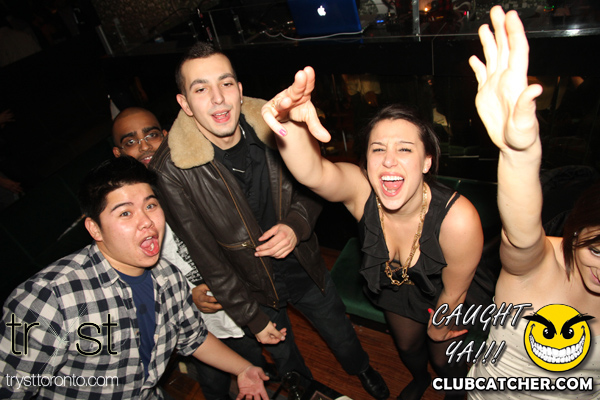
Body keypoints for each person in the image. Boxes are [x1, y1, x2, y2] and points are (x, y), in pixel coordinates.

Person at [149, 42, 389, 399]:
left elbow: (317, 183)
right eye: (201, 89)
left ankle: (361, 367)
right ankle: (304, 391)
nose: (218, 98)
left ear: (239, 89)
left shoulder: (277, 123)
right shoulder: (170, 169)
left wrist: (296, 225)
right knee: (284, 355)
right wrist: (251, 317)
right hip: (250, 285)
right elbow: (205, 256)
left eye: (225, 84)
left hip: (302, 263)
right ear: (184, 103)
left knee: (338, 327)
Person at [261, 45, 483, 400]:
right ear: (365, 162)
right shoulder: (361, 190)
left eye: (405, 149)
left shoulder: (459, 220)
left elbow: (454, 292)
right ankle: (419, 380)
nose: (389, 160)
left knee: (445, 359)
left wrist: (438, 328)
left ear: (427, 161)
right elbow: (313, 172)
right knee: (408, 348)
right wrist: (289, 122)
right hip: (395, 288)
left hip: (444, 292)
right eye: (378, 149)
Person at [0, 156, 269, 399]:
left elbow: (193, 337)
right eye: (125, 213)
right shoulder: (45, 299)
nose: (147, 221)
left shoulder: (169, 278)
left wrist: (243, 369)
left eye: (150, 205)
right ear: (95, 228)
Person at [464, 6, 600, 399]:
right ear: (577, 228)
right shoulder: (538, 263)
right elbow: (522, 234)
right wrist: (518, 155)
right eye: (597, 248)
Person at [112, 107, 273, 400]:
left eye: (151, 135)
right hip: (194, 322)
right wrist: (188, 294)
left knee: (252, 364)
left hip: (236, 302)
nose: (144, 146)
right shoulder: (122, 210)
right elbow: (137, 275)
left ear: (166, 136)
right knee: (213, 382)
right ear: (118, 153)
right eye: (131, 141)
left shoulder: (192, 176)